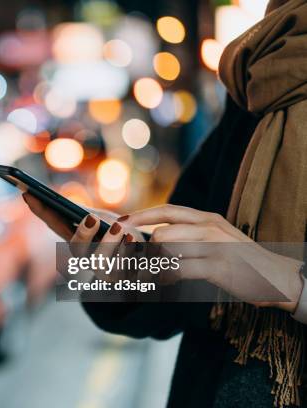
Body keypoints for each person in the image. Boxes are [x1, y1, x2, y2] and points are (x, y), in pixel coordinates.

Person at [24, 0, 307, 407]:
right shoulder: (258, 77)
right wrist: (126, 267)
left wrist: (290, 282)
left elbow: (251, 270)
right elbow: (185, 290)